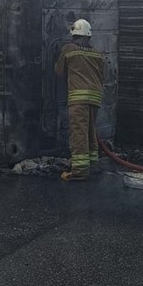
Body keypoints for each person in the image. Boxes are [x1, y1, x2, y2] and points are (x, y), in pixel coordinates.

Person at [54, 18, 105, 181]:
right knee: (90, 130)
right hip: (95, 97)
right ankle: (93, 164)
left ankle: (80, 170)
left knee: (78, 132)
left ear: (74, 36)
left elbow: (59, 71)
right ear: (88, 37)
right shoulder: (97, 53)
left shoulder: (69, 49)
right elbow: (104, 75)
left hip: (78, 98)